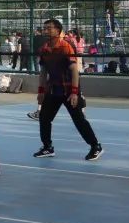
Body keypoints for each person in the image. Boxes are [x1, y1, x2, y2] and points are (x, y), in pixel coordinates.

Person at [33, 19, 103, 161]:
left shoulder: (66, 47)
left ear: (58, 31)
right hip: (53, 90)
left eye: (49, 28)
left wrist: (75, 92)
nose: (46, 31)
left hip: (69, 90)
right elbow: (43, 72)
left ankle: (95, 146)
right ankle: (47, 147)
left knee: (79, 120)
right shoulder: (44, 49)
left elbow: (74, 70)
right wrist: (41, 91)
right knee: (44, 118)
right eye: (44, 28)